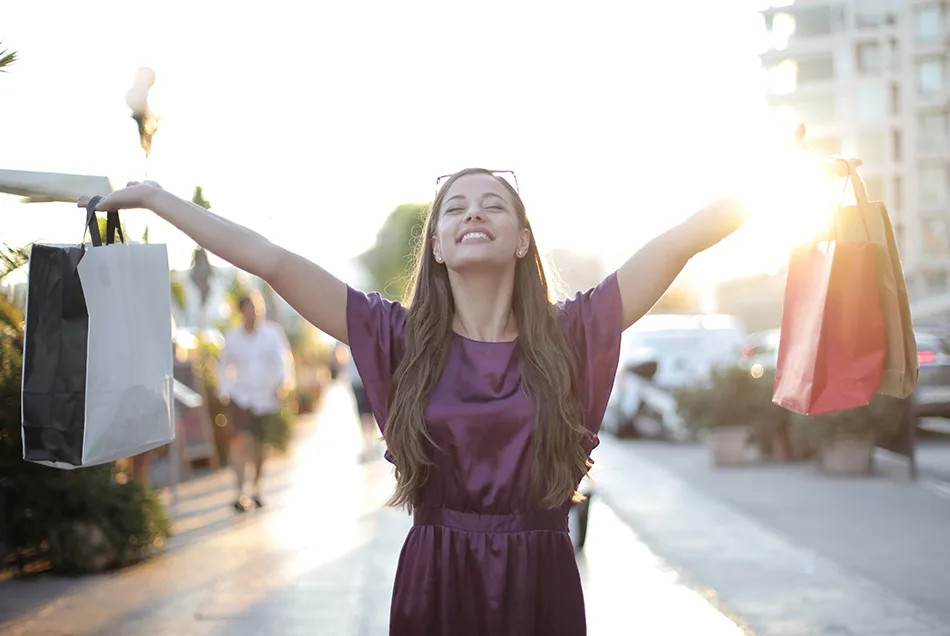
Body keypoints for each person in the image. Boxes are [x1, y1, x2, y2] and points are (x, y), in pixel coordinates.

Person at [79, 126, 858, 635]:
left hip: (542, 579)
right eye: (455, 208)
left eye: (493, 205)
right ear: (440, 246)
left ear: (523, 241)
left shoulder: (573, 330)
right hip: (435, 579)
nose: (472, 213)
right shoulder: (394, 337)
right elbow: (274, 260)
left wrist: (791, 176)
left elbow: (681, 240)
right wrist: (156, 199)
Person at [217, 291, 294, 512]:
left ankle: (257, 489)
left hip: (266, 399)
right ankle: (240, 493)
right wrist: (228, 392)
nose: (256, 312)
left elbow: (283, 363)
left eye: (258, 307)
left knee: (260, 447)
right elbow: (224, 366)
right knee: (240, 444)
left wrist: (282, 384)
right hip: (241, 399)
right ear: (241, 311)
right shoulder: (232, 337)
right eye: (251, 308)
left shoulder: (272, 334)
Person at [345, 345, 380, 462]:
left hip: (367, 375)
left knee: (368, 412)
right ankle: (370, 444)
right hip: (361, 376)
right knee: (366, 413)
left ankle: (372, 444)